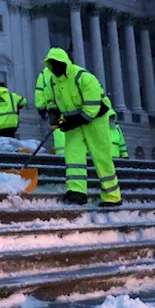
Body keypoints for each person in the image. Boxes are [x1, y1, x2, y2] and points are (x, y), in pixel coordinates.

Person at [39, 48, 122, 207]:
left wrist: (71, 122)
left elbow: (92, 108)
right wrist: (54, 117)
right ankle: (77, 192)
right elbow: (51, 101)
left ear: (65, 63)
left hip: (96, 119)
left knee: (101, 157)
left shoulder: (83, 77)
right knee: (73, 156)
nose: (54, 68)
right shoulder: (52, 81)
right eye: (52, 65)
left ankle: (113, 196)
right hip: (74, 121)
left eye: (57, 64)